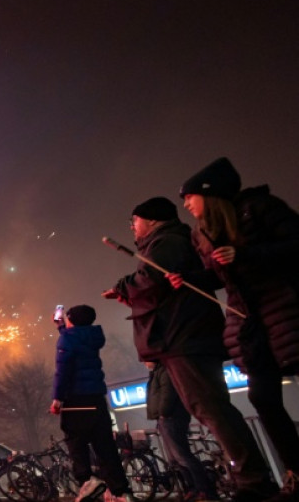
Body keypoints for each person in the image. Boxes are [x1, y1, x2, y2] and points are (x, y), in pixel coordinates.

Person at [103, 196, 276, 502]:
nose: (132, 227)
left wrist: (124, 286)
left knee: (212, 407)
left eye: (135, 220)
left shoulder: (167, 242)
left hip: (184, 338)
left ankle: (255, 479)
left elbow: (152, 279)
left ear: (152, 220)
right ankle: (252, 477)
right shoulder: (168, 242)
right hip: (182, 337)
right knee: (208, 407)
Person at [172, 157, 299, 500]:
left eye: (190, 196)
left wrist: (245, 254)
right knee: (262, 396)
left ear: (210, 193)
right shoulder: (203, 234)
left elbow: (294, 245)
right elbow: (218, 277)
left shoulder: (258, 209)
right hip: (251, 326)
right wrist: (188, 280)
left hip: (285, 311)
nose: (186, 203)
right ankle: (296, 472)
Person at [49, 304, 133, 502]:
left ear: (71, 319)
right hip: (96, 397)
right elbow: (77, 340)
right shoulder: (93, 337)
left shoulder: (68, 339)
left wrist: (57, 399)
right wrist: (62, 328)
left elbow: (63, 371)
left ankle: (87, 480)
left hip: (76, 399)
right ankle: (120, 491)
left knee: (74, 439)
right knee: (105, 445)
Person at [145, 362, 219, 502]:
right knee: (176, 459)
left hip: (171, 417)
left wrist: (163, 413)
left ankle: (204, 489)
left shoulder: (164, 371)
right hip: (166, 418)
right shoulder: (158, 372)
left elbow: (168, 393)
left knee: (183, 456)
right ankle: (193, 488)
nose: (144, 363)